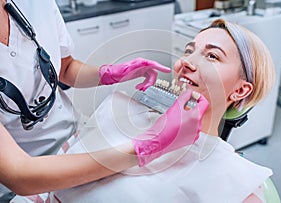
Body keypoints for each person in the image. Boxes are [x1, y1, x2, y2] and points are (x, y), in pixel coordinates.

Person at [0, 0, 208, 202]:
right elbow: (20, 176)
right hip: (29, 175)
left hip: (73, 140)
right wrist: (149, 147)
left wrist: (108, 74)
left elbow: (64, 68)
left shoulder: (38, 4)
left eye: (212, 56)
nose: (188, 63)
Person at [48, 18, 276, 203]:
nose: (184, 62)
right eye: (189, 51)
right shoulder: (119, 112)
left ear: (240, 91)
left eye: (212, 56)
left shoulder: (236, 180)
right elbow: (41, 184)